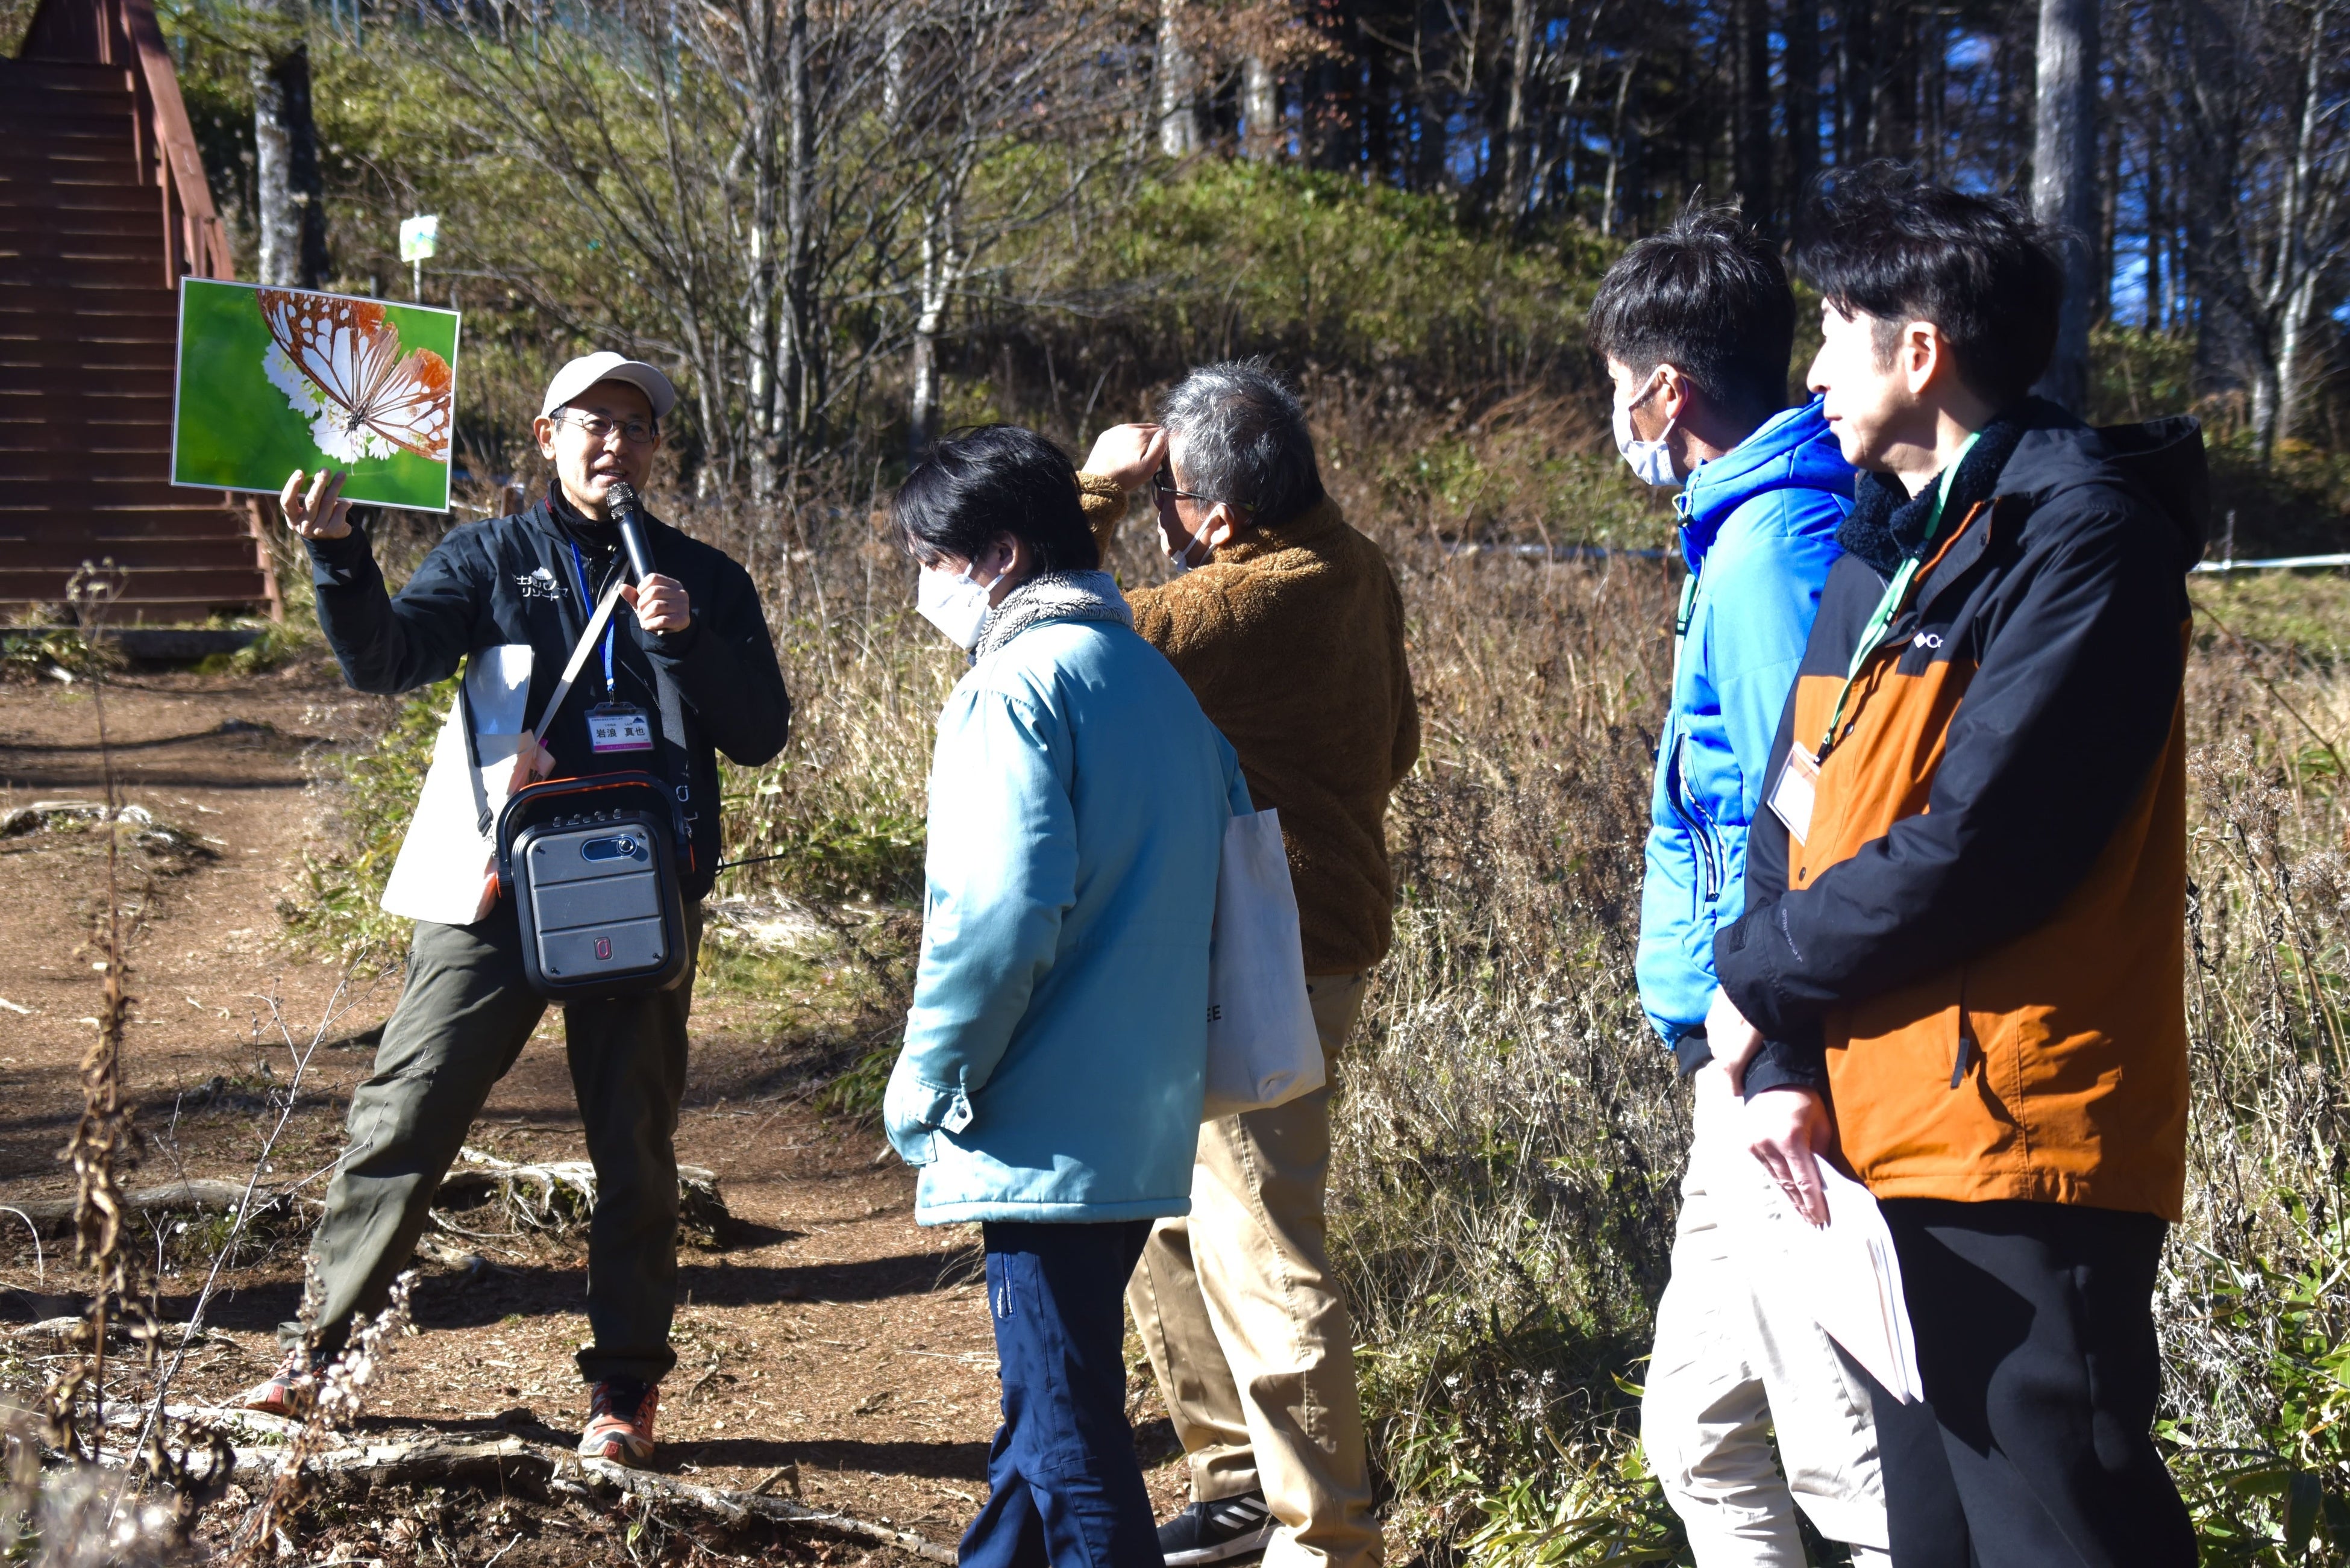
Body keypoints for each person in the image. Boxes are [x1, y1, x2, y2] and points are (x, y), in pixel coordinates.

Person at [1705, 164, 2205, 1566]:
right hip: (1874, 1142)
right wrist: (1786, 1060)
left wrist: (1757, 976)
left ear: (1918, 350)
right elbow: (1793, 820)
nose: (1809, 372)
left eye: (1830, 329)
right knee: (1933, 1540)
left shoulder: (2083, 536)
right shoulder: (1885, 551)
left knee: (2061, 1531)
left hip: (2017, 1138)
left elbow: (1990, 844)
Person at [239, 351, 792, 1469]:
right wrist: (339, 555)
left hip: (639, 887)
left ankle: (623, 1390)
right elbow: (384, 660)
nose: (617, 444)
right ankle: (320, 1358)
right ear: (547, 437)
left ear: (656, 448)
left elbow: (759, 733)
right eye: (595, 422)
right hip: (496, 887)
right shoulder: (489, 557)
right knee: (407, 1109)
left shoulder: (703, 577)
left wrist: (687, 638)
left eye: (638, 427)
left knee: (633, 1143)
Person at [882, 424, 1251, 1568]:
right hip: (1145, 1108)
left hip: (1044, 1119)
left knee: (1069, 1435)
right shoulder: (1155, 683)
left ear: (997, 557)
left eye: (932, 561)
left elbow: (998, 918)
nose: (922, 586)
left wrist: (931, 1080)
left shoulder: (1014, 687)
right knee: (1045, 1415)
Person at [1079, 361, 1418, 1568]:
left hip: (1269, 957)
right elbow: (1399, 743)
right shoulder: (1357, 566)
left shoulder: (1238, 602)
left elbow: (1040, 637)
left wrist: (1094, 494)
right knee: (1170, 1210)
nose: (1160, 520)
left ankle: (1328, 1535)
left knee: (1264, 1249)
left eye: (1168, 500)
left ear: (1216, 519)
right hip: (1303, 939)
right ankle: (1236, 1481)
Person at [1590, 210, 1886, 1566]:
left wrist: (1782, 1051)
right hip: (1736, 1052)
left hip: (1772, 1058)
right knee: (1697, 1437)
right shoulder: (1742, 530)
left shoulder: (1770, 553)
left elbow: (1812, 821)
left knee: (1846, 1463)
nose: (1616, 416)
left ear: (1668, 391)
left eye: (1617, 385)